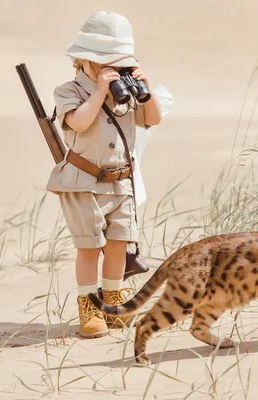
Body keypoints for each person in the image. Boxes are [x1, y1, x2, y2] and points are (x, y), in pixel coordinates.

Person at [46, 11, 163, 338]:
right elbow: (79, 122)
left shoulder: (125, 91)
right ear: (85, 60)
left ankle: (114, 297)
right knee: (90, 247)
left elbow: (152, 119)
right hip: (84, 183)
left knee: (118, 244)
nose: (115, 69)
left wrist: (146, 87)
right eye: (107, 62)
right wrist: (99, 91)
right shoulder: (69, 90)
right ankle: (90, 303)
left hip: (120, 182)